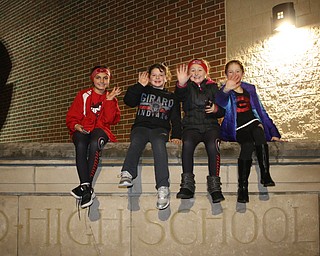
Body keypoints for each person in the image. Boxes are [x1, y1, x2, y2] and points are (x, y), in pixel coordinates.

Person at [216, 60, 281, 203]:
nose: (234, 74)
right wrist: (226, 89)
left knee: (259, 132)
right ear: (226, 74)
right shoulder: (224, 89)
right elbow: (219, 104)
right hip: (238, 127)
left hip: (252, 121)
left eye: (237, 71)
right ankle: (243, 188)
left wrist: (274, 133)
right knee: (247, 145)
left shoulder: (250, 89)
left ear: (242, 72)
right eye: (230, 72)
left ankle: (265, 174)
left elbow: (261, 111)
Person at [118, 63, 181, 210]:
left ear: (166, 78)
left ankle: (163, 188)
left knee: (159, 146)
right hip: (141, 127)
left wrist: (177, 135)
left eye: (161, 75)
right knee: (137, 141)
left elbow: (176, 119)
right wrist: (139, 85)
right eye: (154, 75)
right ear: (149, 77)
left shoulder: (172, 97)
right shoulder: (143, 91)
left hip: (160, 129)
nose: (157, 78)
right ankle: (127, 172)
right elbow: (128, 101)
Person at [66, 65, 121, 208]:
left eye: (105, 78)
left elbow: (110, 120)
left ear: (109, 80)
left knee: (95, 143)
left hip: (101, 130)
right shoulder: (83, 95)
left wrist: (109, 101)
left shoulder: (111, 98)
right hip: (83, 128)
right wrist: (76, 126)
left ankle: (85, 188)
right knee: (81, 144)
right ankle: (87, 187)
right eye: (98, 77)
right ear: (93, 79)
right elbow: (71, 117)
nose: (102, 81)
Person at [175, 58, 225, 204]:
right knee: (188, 144)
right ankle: (187, 185)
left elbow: (222, 110)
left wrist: (216, 109)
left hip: (210, 126)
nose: (196, 73)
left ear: (206, 72)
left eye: (199, 70)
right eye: (193, 70)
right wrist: (181, 84)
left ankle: (215, 187)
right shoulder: (186, 87)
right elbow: (179, 98)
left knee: (213, 146)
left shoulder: (213, 87)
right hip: (191, 126)